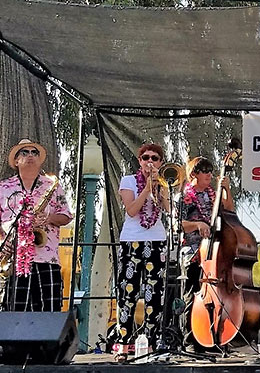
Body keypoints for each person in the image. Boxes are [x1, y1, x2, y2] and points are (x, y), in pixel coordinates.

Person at [0, 138, 72, 312]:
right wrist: (0, 241)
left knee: (48, 313)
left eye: (34, 152)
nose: (30, 155)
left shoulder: (52, 186)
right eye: (24, 152)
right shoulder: (3, 187)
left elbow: (66, 216)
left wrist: (48, 218)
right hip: (14, 258)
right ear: (16, 161)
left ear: (40, 159)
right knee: (10, 312)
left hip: (46, 260)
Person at [113, 143, 171, 362]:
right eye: (146, 157)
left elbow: (169, 210)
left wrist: (160, 188)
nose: (150, 161)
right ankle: (124, 346)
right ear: (139, 161)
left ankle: (152, 343)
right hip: (132, 240)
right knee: (128, 293)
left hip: (156, 240)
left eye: (155, 158)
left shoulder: (164, 182)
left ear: (160, 163)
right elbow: (132, 210)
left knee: (154, 294)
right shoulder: (129, 181)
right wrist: (146, 188)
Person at [178, 156, 234, 345]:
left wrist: (225, 190)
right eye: (205, 170)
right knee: (192, 294)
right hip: (192, 252)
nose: (209, 173)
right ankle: (190, 339)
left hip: (213, 253)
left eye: (211, 170)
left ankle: (214, 336)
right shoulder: (185, 196)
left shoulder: (213, 194)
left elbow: (229, 212)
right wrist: (197, 224)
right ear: (194, 173)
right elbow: (177, 224)